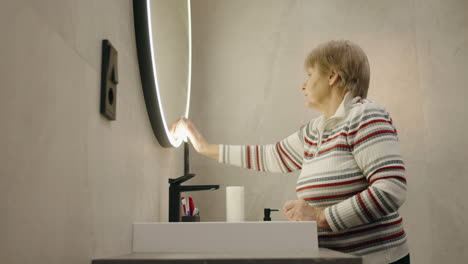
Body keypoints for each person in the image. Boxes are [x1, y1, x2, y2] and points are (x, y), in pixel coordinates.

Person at [173, 40, 410, 264]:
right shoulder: (315, 130)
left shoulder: (365, 116)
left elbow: (390, 189)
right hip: (339, 259)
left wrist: (320, 217)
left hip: (376, 260)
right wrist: (203, 147)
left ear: (332, 76)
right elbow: (269, 156)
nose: (303, 85)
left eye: (309, 74)